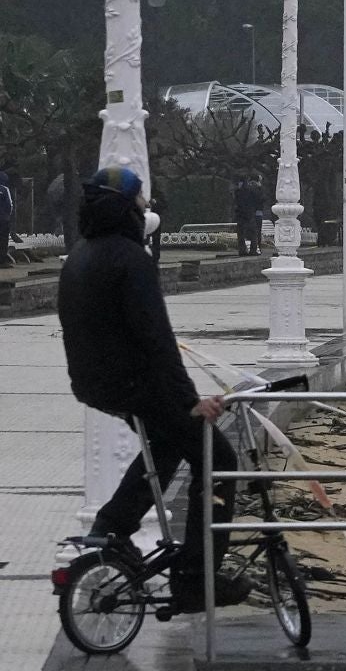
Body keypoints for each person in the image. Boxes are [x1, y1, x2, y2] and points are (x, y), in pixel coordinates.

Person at [57, 166, 250, 613]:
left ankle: (111, 525)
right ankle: (196, 578)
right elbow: (157, 340)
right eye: (142, 200)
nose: (148, 207)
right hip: (136, 383)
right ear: (127, 208)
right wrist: (190, 402)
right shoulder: (132, 260)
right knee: (217, 459)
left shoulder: (80, 255)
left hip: (96, 384)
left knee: (165, 443)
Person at [0, 171, 14, 267]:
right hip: (3, 219)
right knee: (3, 240)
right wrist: (7, 216)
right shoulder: (5, 189)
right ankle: (2, 261)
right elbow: (10, 205)